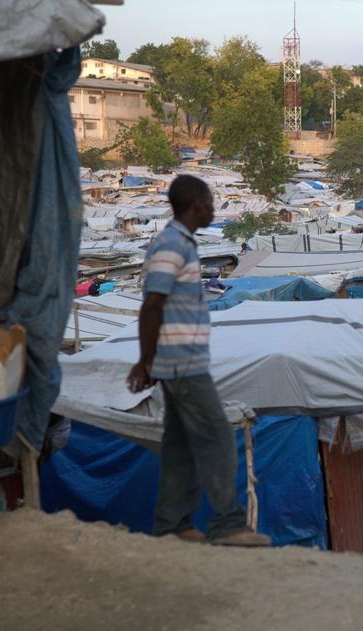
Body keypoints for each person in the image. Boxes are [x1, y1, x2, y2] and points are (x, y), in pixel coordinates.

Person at [127, 174, 269, 548]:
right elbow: (151, 305)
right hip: (181, 363)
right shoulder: (172, 245)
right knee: (217, 435)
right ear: (196, 205)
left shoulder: (182, 243)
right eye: (210, 201)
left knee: (179, 444)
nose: (214, 208)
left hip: (181, 360)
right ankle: (228, 525)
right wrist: (146, 361)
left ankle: (172, 523)